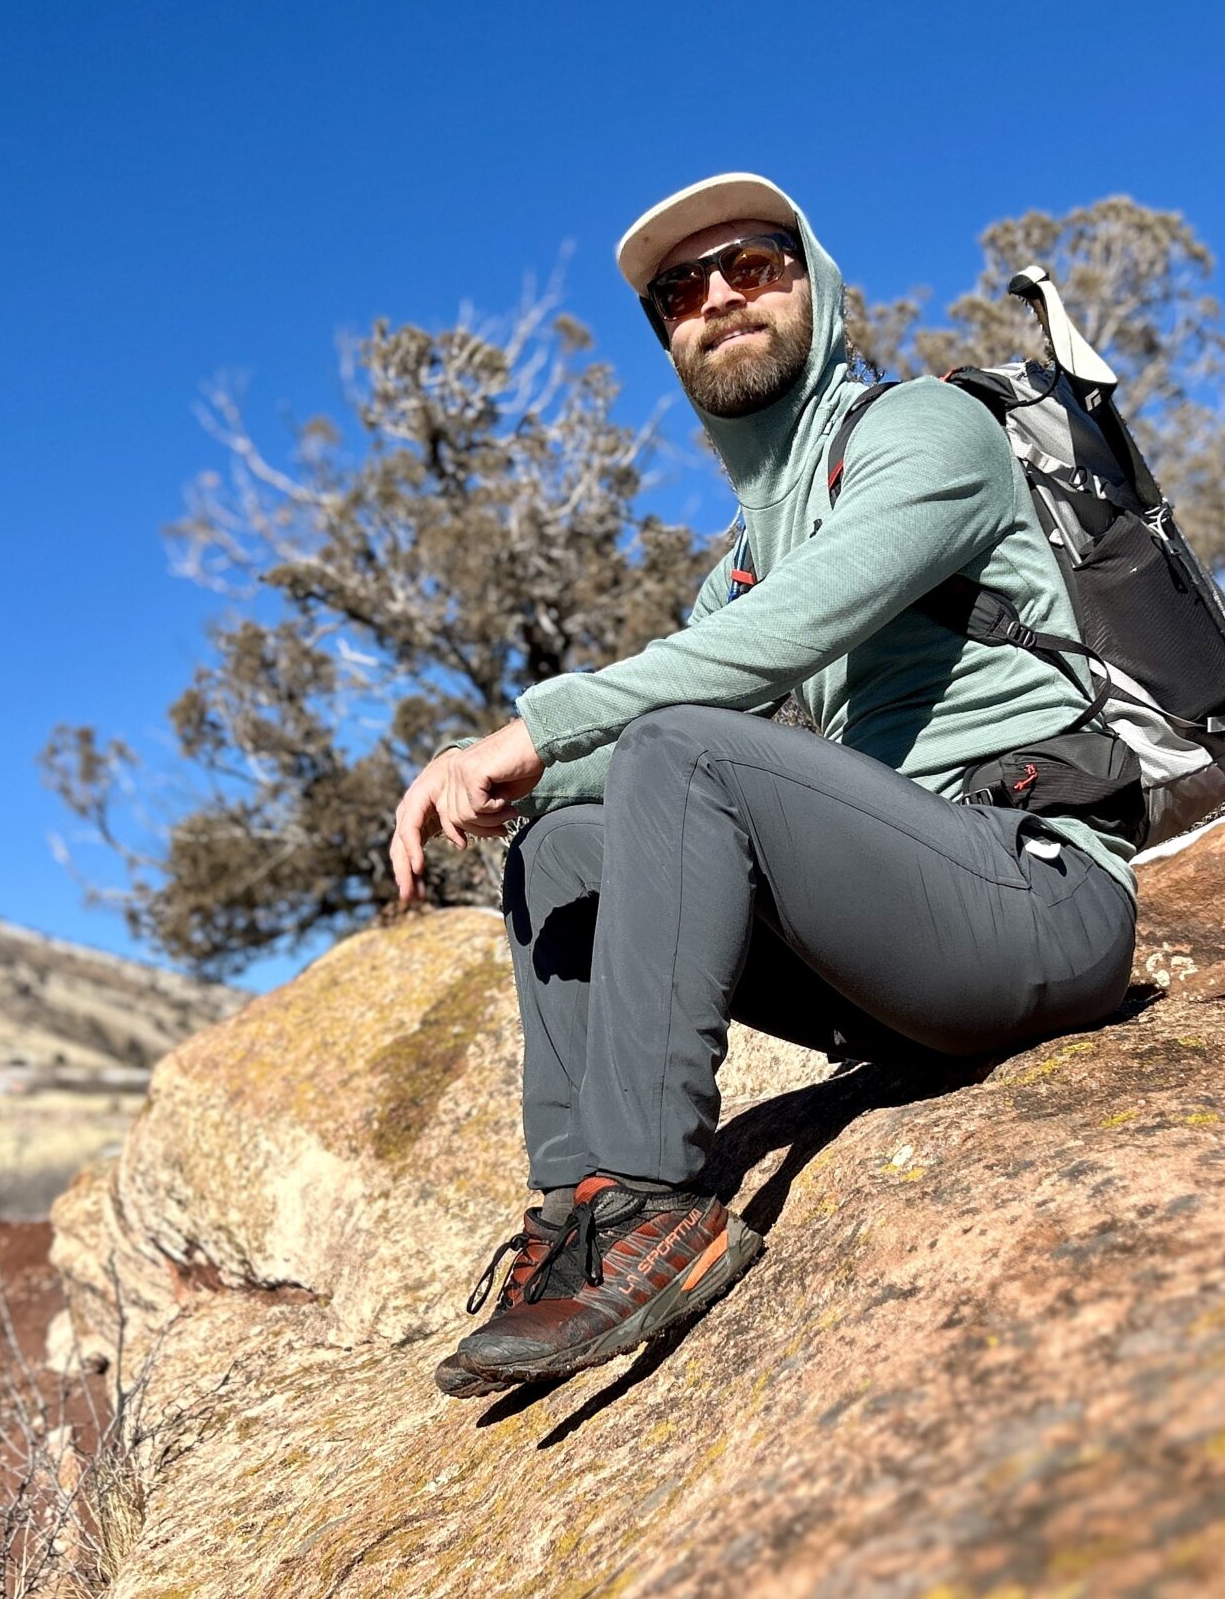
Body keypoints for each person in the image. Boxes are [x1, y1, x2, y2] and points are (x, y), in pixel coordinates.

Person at [390, 174, 1140, 1396]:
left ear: (815, 281)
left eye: (752, 263)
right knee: (564, 843)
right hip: (903, 966)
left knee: (675, 749)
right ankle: (581, 1207)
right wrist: (496, 776)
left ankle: (652, 1204)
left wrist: (532, 727)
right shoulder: (747, 549)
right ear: (668, 340)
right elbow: (677, 691)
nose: (719, 298)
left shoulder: (924, 434)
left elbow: (774, 643)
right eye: (682, 290)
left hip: (1037, 898)